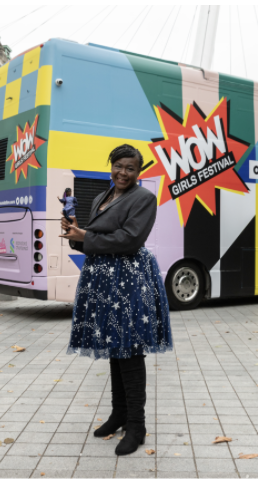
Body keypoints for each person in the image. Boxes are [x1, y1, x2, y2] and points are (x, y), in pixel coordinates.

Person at [60, 144, 173, 456]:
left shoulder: (144, 199)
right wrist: (75, 235)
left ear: (139, 172)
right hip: (103, 278)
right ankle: (119, 413)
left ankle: (137, 424)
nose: (123, 172)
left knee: (130, 348)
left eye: (131, 168)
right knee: (114, 347)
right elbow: (96, 241)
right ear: (111, 165)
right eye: (119, 166)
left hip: (128, 279)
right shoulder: (101, 197)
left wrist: (87, 237)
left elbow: (131, 238)